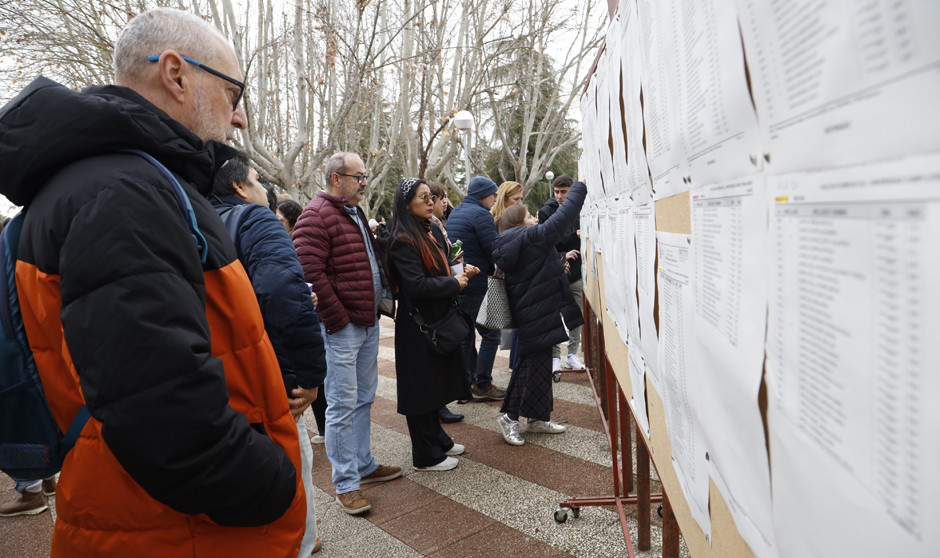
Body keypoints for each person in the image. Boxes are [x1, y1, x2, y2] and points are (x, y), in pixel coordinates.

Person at [0, 7, 306, 557]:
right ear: (176, 73)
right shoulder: (124, 190)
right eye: (233, 95)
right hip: (168, 532)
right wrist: (273, 482)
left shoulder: (117, 178)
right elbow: (163, 411)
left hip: (141, 515)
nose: (237, 119)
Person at [211, 151, 327, 556]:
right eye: (259, 181)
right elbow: (280, 292)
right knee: (293, 467)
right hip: (264, 374)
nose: (266, 190)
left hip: (216, 378)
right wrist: (309, 376)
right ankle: (302, 545)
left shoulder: (195, 221)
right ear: (240, 187)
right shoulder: (255, 218)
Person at [292, 152, 399, 516]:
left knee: (363, 398)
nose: (365, 182)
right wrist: (338, 318)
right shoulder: (316, 214)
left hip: (366, 322)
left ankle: (363, 465)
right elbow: (308, 270)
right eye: (359, 177)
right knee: (340, 405)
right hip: (344, 327)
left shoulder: (351, 212)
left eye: (365, 177)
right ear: (337, 178)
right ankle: (346, 483)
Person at [386, 178, 476, 470]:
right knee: (421, 391)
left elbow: (434, 269)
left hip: (432, 319)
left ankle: (439, 441)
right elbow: (417, 285)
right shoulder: (402, 239)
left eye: (430, 196)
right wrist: (453, 282)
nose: (430, 201)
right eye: (423, 197)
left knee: (432, 386)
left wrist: (459, 272)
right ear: (407, 204)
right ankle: (425, 456)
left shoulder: (425, 231)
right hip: (417, 326)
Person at [492, 180, 588, 445]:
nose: (535, 219)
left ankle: (536, 418)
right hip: (536, 311)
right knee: (529, 364)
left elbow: (535, 268)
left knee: (541, 362)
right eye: (530, 216)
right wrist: (580, 186)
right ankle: (509, 418)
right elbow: (563, 218)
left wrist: (557, 266)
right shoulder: (528, 237)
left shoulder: (518, 241)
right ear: (520, 224)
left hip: (535, 308)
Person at [445, 176, 508, 402]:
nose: (494, 199)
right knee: (491, 335)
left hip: (458, 282)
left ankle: (465, 385)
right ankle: (483, 384)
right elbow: (495, 249)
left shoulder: (457, 212)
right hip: (478, 283)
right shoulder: (481, 214)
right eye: (493, 195)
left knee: (465, 336)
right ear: (484, 195)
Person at [426, 182, 465, 424]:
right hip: (439, 297)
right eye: (441, 198)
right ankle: (439, 406)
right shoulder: (432, 226)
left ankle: (442, 404)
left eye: (444, 198)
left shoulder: (439, 225)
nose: (443, 203)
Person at [538, 175, 585, 372]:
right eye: (556, 192)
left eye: (564, 192)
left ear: (571, 190)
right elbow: (548, 242)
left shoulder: (581, 209)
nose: (559, 196)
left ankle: (572, 354)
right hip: (554, 270)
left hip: (577, 272)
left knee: (576, 313)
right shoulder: (546, 212)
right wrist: (571, 240)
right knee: (553, 315)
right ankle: (555, 355)